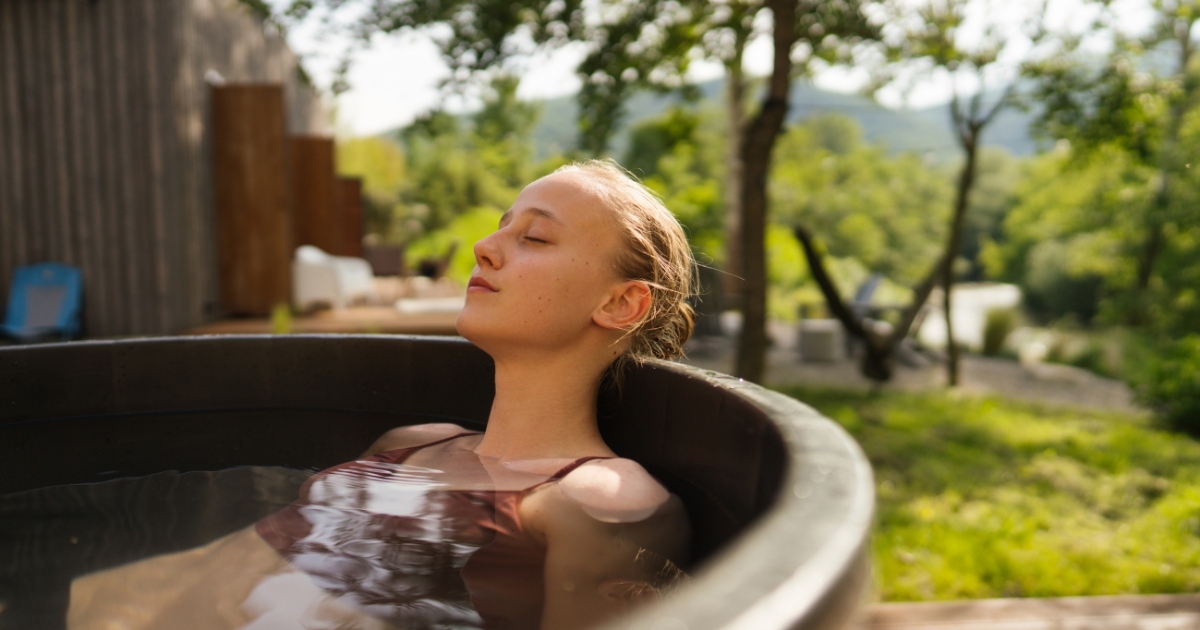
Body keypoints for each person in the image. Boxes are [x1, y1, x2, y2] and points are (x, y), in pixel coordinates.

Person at [68, 160, 696, 630]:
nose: (484, 247)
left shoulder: (600, 500)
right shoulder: (412, 445)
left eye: (534, 238)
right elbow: (243, 557)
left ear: (620, 303)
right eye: (501, 228)